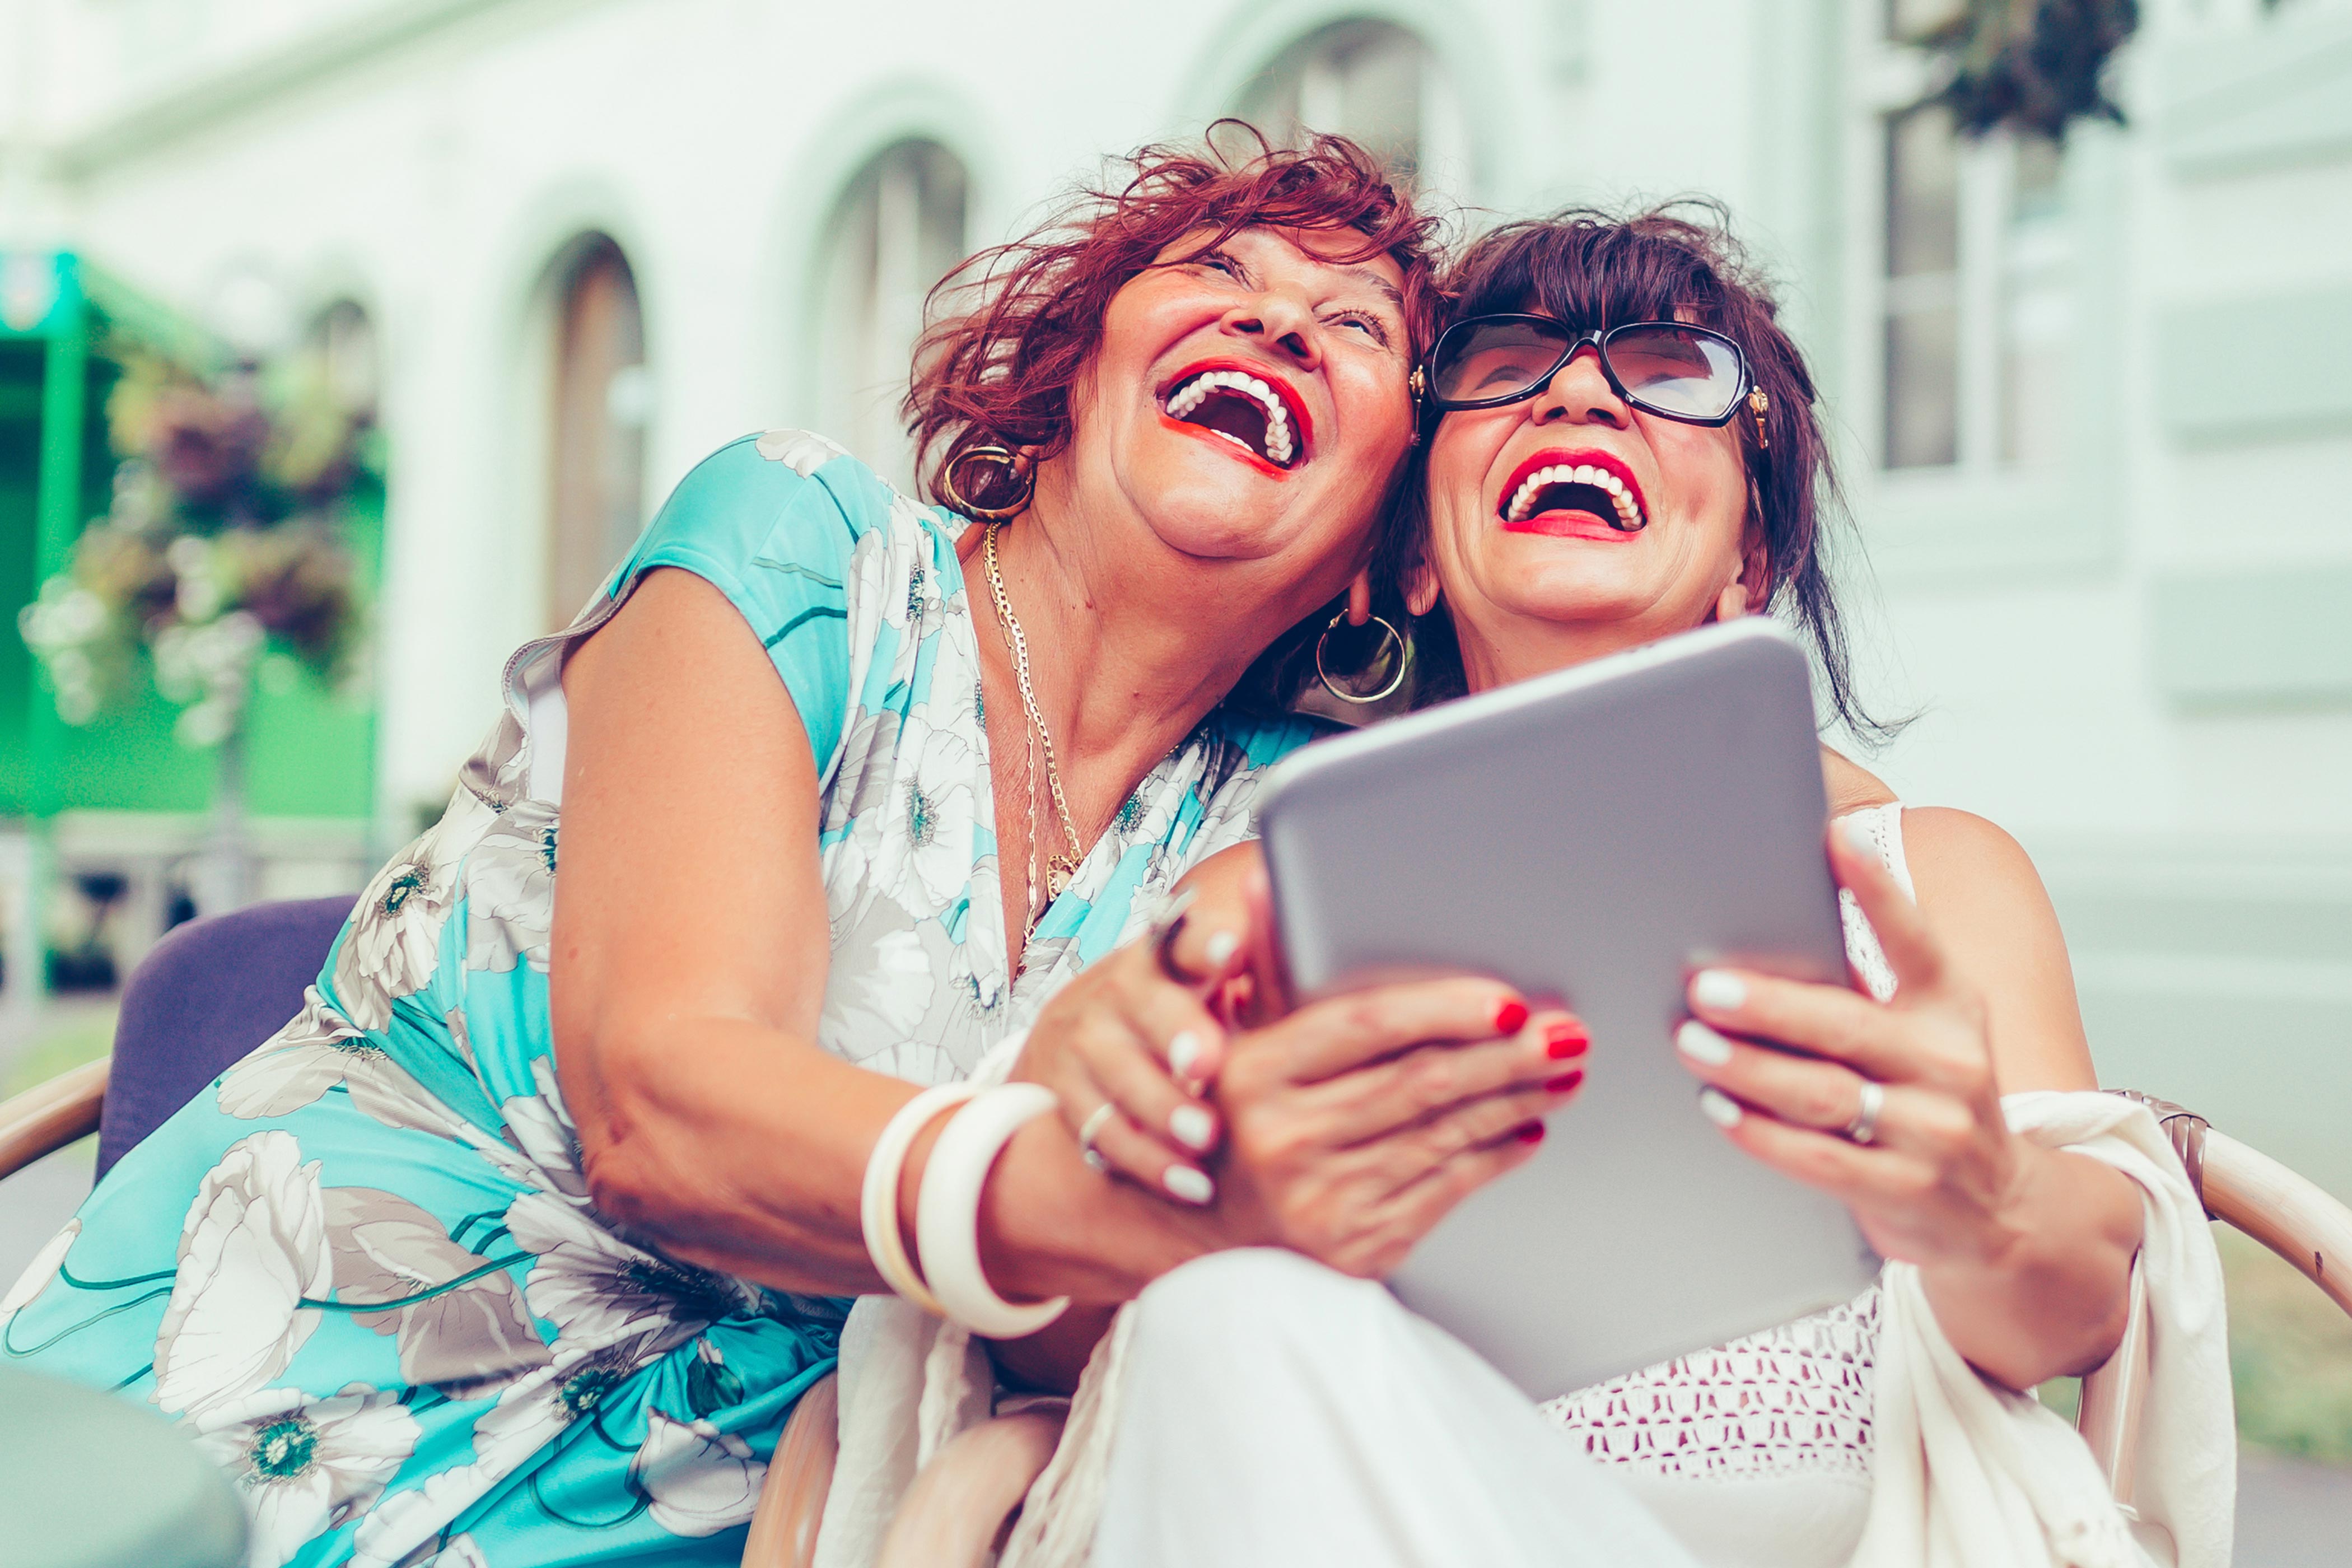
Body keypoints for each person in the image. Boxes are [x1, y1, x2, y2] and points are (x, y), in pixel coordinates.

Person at [0, 134, 1641, 1568]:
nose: (1281, 317)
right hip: (202, 1430)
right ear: (1068, 374)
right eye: (1220, 270)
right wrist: (1154, 1220)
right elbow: (663, 1106)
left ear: (1378, 546)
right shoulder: (802, 544)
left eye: (1356, 329)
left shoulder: (1279, 824)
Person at [1001, 207, 2226, 1568]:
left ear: (1748, 560)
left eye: (1668, 370)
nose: (1579, 391)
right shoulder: (1263, 892)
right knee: (1213, 1321)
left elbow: (2080, 1305)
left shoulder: (1931, 878)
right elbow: (1064, 1332)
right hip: (1384, 1505)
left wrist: (1980, 1194)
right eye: (1509, 362)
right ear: (1415, 554)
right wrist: (1152, 1185)